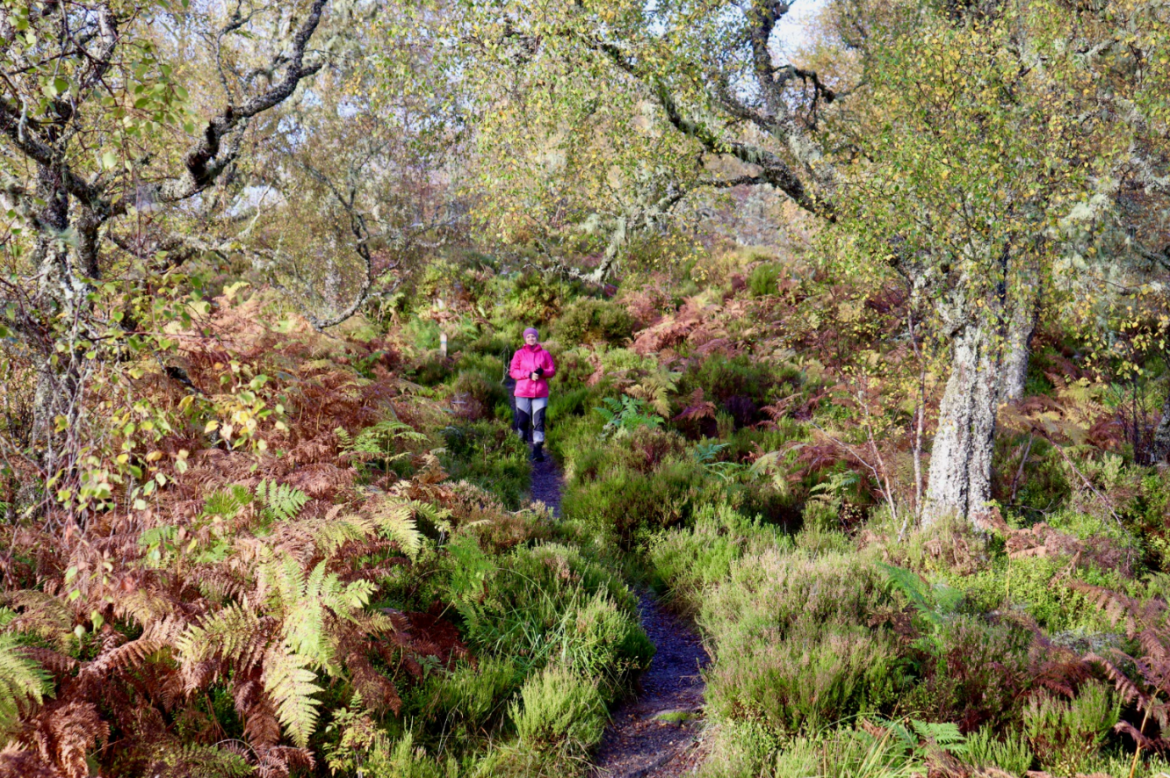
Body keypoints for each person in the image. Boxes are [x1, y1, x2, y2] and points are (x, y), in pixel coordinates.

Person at [510, 327, 556, 462]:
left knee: (539, 421)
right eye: (528, 336)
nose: (531, 338)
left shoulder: (545, 354)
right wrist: (528, 374)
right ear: (525, 339)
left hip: (540, 393)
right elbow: (513, 372)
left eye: (533, 336)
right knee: (523, 421)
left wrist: (543, 372)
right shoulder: (519, 354)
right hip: (523, 392)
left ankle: (537, 450)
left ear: (537, 338)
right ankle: (522, 446)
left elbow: (552, 370)